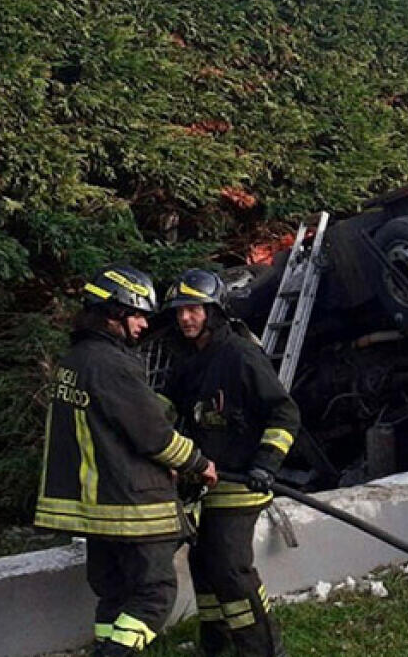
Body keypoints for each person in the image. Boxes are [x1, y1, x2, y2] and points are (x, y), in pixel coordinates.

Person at [35, 265, 218, 656]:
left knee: (114, 593)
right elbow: (152, 432)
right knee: (154, 593)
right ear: (115, 312)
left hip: (97, 509)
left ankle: (108, 642)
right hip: (129, 505)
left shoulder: (76, 360)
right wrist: (198, 462)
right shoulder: (110, 364)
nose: (143, 325)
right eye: (137, 315)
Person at [161, 268, 300, 657]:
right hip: (205, 480)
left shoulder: (240, 354)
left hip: (241, 481)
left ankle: (263, 649)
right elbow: (167, 411)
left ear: (214, 311)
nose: (185, 318)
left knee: (230, 567)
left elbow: (284, 413)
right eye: (180, 311)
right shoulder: (188, 359)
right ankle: (217, 646)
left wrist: (266, 464)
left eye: (194, 309)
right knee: (204, 563)